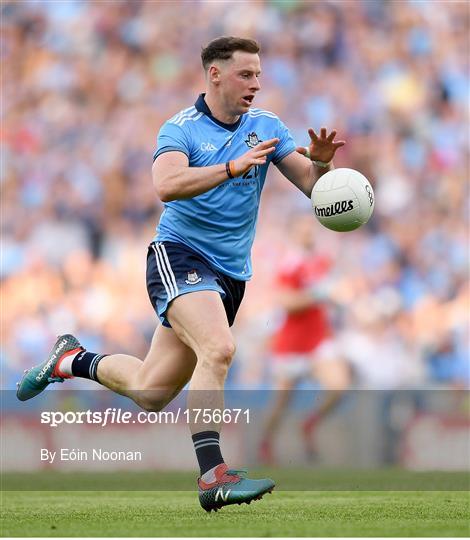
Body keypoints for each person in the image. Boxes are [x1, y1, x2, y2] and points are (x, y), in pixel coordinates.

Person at [17, 36, 345, 512]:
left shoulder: (266, 125)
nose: (257, 83)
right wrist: (231, 167)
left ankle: (71, 360)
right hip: (180, 255)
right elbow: (166, 185)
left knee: (151, 391)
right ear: (215, 74)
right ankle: (213, 477)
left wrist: (322, 162)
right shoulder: (182, 128)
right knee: (220, 347)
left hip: (230, 276)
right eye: (245, 74)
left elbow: (315, 189)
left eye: (258, 74)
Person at [258, 212, 351, 464]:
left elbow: (331, 294)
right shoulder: (289, 263)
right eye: (303, 229)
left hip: (318, 338)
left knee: (339, 385)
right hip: (291, 343)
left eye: (311, 228)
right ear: (294, 233)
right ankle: (265, 444)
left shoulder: (321, 261)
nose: (309, 233)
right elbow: (287, 303)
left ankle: (309, 423)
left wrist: (335, 299)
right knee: (280, 403)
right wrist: (318, 294)